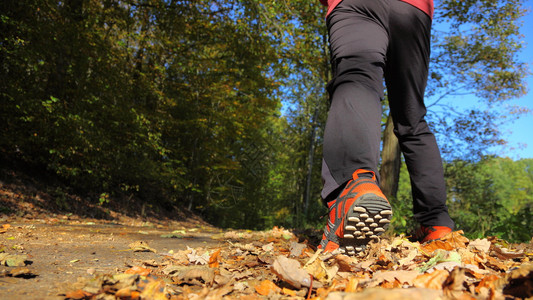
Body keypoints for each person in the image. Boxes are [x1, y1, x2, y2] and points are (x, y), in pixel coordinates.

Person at [317, 0, 455, 255]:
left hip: (355, 4)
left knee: (357, 80)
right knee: (412, 119)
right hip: (414, 10)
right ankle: (437, 224)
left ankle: (355, 185)